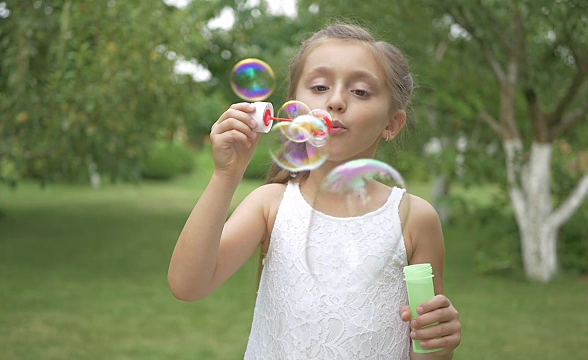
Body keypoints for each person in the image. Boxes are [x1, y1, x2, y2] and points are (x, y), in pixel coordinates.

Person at [168, 22, 462, 359]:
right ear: (294, 110)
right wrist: (226, 176)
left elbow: (426, 349)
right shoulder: (271, 205)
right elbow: (187, 285)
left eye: (361, 91)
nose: (336, 101)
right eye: (320, 86)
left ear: (391, 124)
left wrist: (441, 341)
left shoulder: (414, 219)